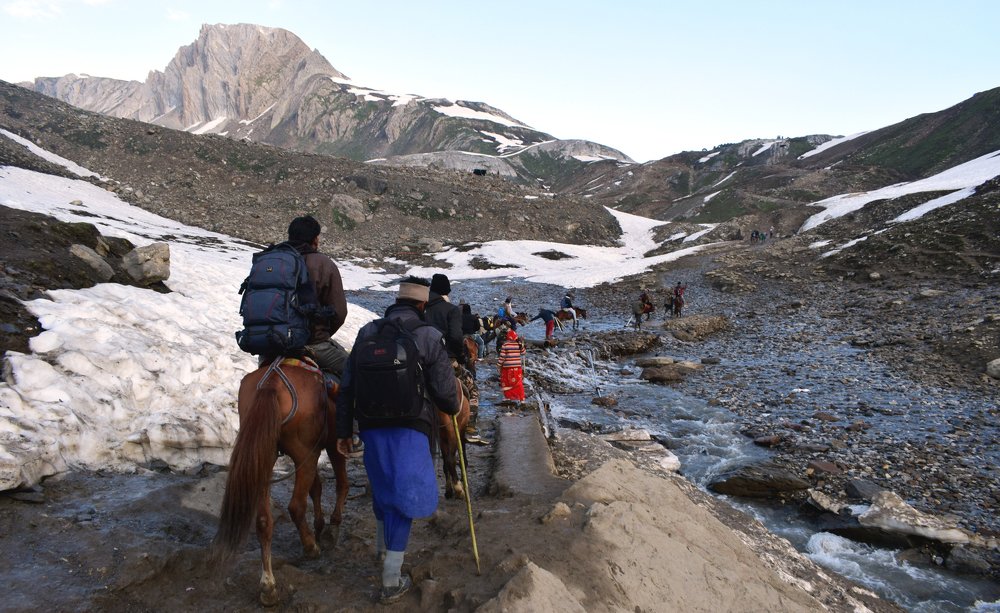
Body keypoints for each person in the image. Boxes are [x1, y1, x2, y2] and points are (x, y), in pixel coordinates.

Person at [335, 277, 460, 605]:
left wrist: (343, 431)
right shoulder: (429, 336)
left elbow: (347, 386)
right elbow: (447, 398)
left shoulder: (367, 333)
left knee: (384, 487)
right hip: (411, 427)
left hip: (371, 426)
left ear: (396, 301)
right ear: (422, 305)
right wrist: (454, 406)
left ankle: (381, 550)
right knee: (405, 497)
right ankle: (391, 579)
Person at [282, 215, 350, 378]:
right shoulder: (323, 263)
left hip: (269, 345)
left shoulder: (270, 260)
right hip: (311, 344)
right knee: (356, 373)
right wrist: (320, 334)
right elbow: (339, 312)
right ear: (315, 239)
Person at [424, 273, 483, 443]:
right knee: (472, 386)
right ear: (447, 291)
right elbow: (456, 338)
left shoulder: (421, 307)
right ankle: (471, 427)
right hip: (445, 360)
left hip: (420, 361)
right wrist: (462, 357)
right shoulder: (450, 310)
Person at [498, 329, 526, 402]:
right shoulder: (518, 344)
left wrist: (498, 365)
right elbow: (523, 353)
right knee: (518, 383)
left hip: (507, 368)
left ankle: (508, 397)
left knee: (506, 382)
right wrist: (522, 344)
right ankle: (521, 398)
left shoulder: (505, 345)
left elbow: (502, 357)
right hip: (517, 368)